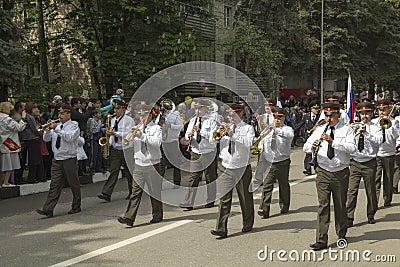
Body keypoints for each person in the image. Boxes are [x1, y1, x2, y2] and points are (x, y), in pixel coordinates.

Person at [303, 102, 356, 251]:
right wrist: (312, 146)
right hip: (323, 171)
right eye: (326, 115)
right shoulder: (319, 129)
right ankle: (321, 239)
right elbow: (305, 147)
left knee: (340, 205)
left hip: (340, 171)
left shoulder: (346, 130)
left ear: (338, 115)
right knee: (323, 204)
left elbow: (353, 149)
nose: (329, 118)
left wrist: (333, 142)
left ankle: (341, 234)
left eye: (332, 115)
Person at [210, 103, 255, 238]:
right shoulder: (223, 128)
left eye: (234, 114)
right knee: (224, 199)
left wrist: (233, 136)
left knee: (245, 198)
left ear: (240, 114)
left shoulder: (248, 128)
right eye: (229, 115)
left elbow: (248, 144)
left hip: (241, 167)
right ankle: (221, 228)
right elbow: (214, 143)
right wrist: (215, 137)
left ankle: (248, 223)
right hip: (225, 166)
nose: (231, 117)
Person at [117, 104, 163, 227]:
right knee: (135, 192)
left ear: (151, 115)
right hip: (139, 164)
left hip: (152, 163)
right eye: (140, 115)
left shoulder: (156, 129)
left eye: (144, 115)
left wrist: (141, 136)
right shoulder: (138, 127)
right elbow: (130, 144)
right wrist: (130, 137)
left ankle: (157, 214)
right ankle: (129, 217)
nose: (141, 117)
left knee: (154, 192)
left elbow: (156, 143)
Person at [36, 104, 81, 217]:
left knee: (73, 184)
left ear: (68, 114)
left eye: (62, 113)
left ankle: (76, 206)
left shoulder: (74, 125)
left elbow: (69, 138)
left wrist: (55, 128)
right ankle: (48, 209)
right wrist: (46, 130)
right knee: (54, 185)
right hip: (57, 159)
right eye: (59, 113)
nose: (59, 116)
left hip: (69, 159)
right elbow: (46, 139)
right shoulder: (57, 126)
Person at [346, 102, 382, 227]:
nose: (364, 116)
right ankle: (349, 217)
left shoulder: (376, 127)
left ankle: (371, 213)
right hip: (355, 162)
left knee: (371, 190)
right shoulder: (353, 127)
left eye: (367, 113)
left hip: (369, 162)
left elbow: (379, 141)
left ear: (372, 114)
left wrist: (367, 133)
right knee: (352, 190)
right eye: (362, 113)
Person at [179, 99, 219, 210]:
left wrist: (200, 131)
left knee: (210, 178)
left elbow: (213, 137)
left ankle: (210, 199)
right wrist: (189, 135)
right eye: (196, 108)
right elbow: (186, 135)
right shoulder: (193, 120)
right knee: (193, 177)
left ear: (206, 108)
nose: (198, 110)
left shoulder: (212, 121)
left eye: (200, 108)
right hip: (196, 152)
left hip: (208, 152)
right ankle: (189, 202)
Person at [256, 107, 294, 219]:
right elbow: (261, 143)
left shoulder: (287, 129)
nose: (277, 120)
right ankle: (264, 209)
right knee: (267, 186)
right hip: (269, 162)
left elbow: (289, 136)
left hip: (282, 162)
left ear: (284, 118)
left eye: (280, 118)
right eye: (275, 117)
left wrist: (276, 130)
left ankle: (284, 205)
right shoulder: (267, 130)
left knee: (283, 185)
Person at [98, 100, 135, 202]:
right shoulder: (113, 120)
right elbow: (111, 133)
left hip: (126, 148)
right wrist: (108, 143)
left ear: (123, 109)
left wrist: (115, 133)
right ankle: (106, 193)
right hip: (115, 148)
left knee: (129, 172)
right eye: (115, 108)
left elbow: (128, 134)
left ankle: (133, 192)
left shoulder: (129, 120)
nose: (116, 110)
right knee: (114, 171)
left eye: (118, 108)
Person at [371, 99, 399, 207]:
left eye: (384, 110)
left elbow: (396, 136)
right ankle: (375, 201)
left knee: (388, 177)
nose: (382, 112)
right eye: (380, 110)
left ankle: (387, 198)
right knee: (376, 178)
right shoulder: (374, 122)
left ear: (389, 109)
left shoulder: (395, 121)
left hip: (389, 153)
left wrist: (389, 126)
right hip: (377, 154)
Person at [157, 100, 184, 186]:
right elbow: (156, 125)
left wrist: (171, 126)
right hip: (163, 142)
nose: (163, 108)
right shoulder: (160, 115)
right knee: (161, 164)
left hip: (172, 142)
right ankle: (158, 184)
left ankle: (177, 182)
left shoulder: (175, 115)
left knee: (176, 163)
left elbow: (182, 127)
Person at [0, 102, 26, 187]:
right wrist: (23, 118)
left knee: (6, 164)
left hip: (3, 141)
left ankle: (5, 181)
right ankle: (6, 182)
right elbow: (19, 128)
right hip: (10, 142)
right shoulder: (7, 119)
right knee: (10, 164)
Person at [20, 102, 46, 183]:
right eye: (35, 108)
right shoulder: (30, 117)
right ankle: (32, 177)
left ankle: (40, 176)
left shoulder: (32, 117)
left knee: (38, 158)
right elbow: (35, 129)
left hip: (33, 138)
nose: (37, 110)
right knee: (34, 159)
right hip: (32, 139)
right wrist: (42, 133)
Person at [302, 102, 321, 175]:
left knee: (318, 153)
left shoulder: (320, 116)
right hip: (309, 137)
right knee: (308, 153)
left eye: (317, 109)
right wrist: (294, 130)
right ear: (311, 109)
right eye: (315, 109)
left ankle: (317, 168)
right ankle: (307, 169)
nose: (317, 110)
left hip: (317, 137)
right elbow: (301, 123)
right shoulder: (306, 116)